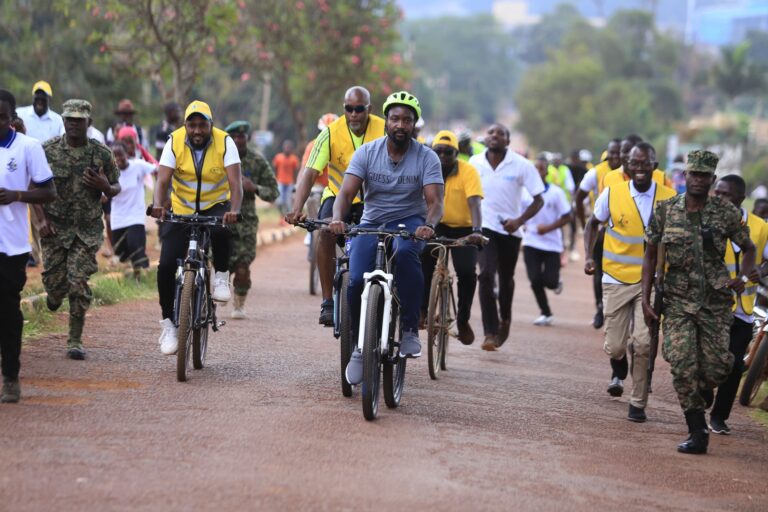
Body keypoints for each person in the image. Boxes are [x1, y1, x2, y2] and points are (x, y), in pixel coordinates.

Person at [642, 150, 756, 455]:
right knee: (682, 365)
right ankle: (697, 430)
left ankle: (704, 389)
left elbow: (749, 248)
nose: (698, 180)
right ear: (686, 176)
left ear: (712, 179)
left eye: (704, 175)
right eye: (694, 174)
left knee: (719, 368)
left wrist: (743, 278)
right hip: (677, 301)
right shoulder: (665, 210)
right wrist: (645, 299)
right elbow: (650, 255)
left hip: (715, 303)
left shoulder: (725, 212)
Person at [329, 91, 443, 385]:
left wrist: (428, 225)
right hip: (372, 222)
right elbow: (345, 194)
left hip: (410, 223)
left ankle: (409, 329)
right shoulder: (367, 153)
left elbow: (435, 202)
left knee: (405, 254)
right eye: (395, 119)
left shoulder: (427, 157)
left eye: (407, 120)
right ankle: (358, 346)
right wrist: (338, 217)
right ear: (386, 121)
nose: (400, 125)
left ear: (415, 124)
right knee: (356, 280)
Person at [585, 142, 676, 422]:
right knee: (615, 346)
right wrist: (589, 256)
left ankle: (638, 402)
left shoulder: (671, 199)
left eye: (645, 163)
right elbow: (592, 223)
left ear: (654, 166)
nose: (639, 168)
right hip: (616, 278)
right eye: (634, 163)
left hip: (650, 283)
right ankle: (619, 364)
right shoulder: (613, 193)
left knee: (644, 344)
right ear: (627, 165)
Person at [286, 86, 385, 326]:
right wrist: (297, 208)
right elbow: (310, 173)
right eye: (349, 109)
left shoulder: (384, 129)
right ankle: (328, 302)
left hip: (375, 199)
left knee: (388, 239)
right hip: (339, 196)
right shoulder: (330, 133)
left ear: (369, 109)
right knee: (325, 232)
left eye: (359, 109)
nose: (354, 114)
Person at [150, 100, 242, 355]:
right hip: (182, 208)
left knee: (222, 230)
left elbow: (236, 184)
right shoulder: (174, 141)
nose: (197, 130)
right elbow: (162, 181)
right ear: (185, 125)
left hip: (216, 205)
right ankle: (169, 324)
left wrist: (234, 210)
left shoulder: (225, 142)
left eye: (203, 125)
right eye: (192, 125)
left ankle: (221, 276)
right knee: (166, 265)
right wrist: (158, 205)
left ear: (211, 124)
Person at [37, 100, 121, 360]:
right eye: (69, 119)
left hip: (87, 230)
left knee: (77, 281)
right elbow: (34, 186)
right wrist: (41, 220)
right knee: (55, 287)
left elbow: (116, 186)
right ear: (63, 121)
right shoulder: (47, 151)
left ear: (89, 123)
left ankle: (75, 339)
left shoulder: (101, 153)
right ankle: (54, 294)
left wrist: (105, 186)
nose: (73, 124)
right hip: (55, 229)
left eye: (79, 120)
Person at [0, 90, 56, 403]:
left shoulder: (28, 147)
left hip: (11, 246)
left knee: (7, 309)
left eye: (1, 117)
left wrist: (17, 195)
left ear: (12, 119)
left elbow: (49, 191)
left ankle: (10, 376)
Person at [469, 124, 544, 351]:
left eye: (500, 133)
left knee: (505, 279)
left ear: (508, 141)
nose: (494, 136)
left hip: (511, 230)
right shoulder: (474, 163)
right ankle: (490, 332)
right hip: (484, 227)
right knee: (485, 276)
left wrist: (519, 221)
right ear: (485, 138)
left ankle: (506, 320)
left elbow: (538, 199)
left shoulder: (522, 165)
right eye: (491, 133)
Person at [709, 175, 768, 434]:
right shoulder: (705, 220)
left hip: (742, 311)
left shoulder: (760, 227)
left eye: (727, 195)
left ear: (741, 199)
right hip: (711, 306)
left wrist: (761, 271)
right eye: (718, 193)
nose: (721, 199)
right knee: (708, 360)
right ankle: (704, 392)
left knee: (734, 366)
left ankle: (719, 417)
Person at [421, 130, 483, 344]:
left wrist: (477, 230)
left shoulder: (469, 171)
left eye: (448, 152)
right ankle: (422, 310)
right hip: (434, 226)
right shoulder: (426, 168)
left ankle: (463, 320)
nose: (442, 156)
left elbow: (475, 202)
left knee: (467, 272)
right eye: (438, 151)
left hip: (464, 229)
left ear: (457, 153)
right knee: (422, 259)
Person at [224, 120, 279, 319]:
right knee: (217, 264)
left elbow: (273, 192)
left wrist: (254, 187)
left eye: (241, 136)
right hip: (220, 219)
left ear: (247, 138)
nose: (238, 140)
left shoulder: (257, 161)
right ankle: (208, 300)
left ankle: (239, 304)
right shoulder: (219, 158)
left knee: (243, 266)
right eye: (233, 137)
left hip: (245, 223)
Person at [574, 139, 622, 329]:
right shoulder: (596, 172)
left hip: (625, 234)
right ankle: (600, 308)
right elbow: (579, 198)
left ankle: (618, 312)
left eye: (619, 153)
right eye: (612, 153)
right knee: (599, 272)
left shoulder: (633, 174)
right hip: (601, 231)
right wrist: (584, 226)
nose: (615, 157)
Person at [523, 154, 572, 326]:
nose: (538, 172)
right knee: (535, 279)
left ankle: (556, 281)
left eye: (541, 169)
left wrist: (548, 228)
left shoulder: (556, 193)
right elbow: (518, 213)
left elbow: (567, 216)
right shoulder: (525, 193)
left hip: (552, 244)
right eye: (535, 169)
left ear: (546, 173)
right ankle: (546, 312)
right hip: (531, 242)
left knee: (550, 282)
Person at [110, 141, 155, 276]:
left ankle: (140, 273)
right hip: (118, 217)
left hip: (136, 215)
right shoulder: (110, 173)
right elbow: (103, 194)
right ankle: (133, 269)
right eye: (114, 156)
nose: (118, 159)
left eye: (120, 155)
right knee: (121, 252)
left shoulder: (138, 166)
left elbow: (157, 169)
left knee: (135, 245)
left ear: (127, 154)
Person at [272, 139, 299, 215]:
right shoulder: (278, 157)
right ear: (283, 147)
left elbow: (295, 172)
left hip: (290, 183)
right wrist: (275, 179)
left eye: (289, 147)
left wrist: (296, 183)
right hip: (280, 182)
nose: (287, 149)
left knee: (288, 201)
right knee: (279, 201)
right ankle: (282, 215)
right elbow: (275, 169)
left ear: (292, 149)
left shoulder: (294, 159)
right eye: (286, 147)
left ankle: (288, 216)